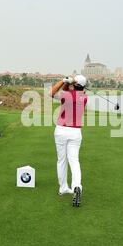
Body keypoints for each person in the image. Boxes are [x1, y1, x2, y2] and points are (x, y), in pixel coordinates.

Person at [50, 75, 88, 207]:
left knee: (62, 160)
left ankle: (63, 188)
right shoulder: (84, 97)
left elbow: (52, 92)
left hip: (61, 130)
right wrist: (72, 83)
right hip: (75, 132)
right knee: (74, 160)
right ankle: (77, 185)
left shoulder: (66, 95)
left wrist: (63, 81)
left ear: (74, 84)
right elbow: (77, 89)